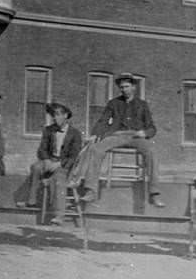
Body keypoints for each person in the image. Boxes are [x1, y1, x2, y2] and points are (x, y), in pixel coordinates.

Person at [69, 73, 165, 207]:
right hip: (116, 135)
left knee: (152, 150)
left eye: (127, 86)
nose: (124, 90)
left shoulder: (142, 105)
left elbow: (152, 127)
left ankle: (154, 194)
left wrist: (145, 133)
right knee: (95, 149)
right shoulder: (113, 103)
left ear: (133, 87)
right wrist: (95, 134)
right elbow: (103, 121)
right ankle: (91, 191)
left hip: (136, 136)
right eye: (121, 87)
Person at [19, 102, 82, 226]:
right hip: (50, 160)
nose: (55, 117)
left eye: (59, 114)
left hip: (63, 165)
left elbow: (74, 156)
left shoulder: (75, 133)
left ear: (66, 116)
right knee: (36, 167)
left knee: (58, 179)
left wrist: (59, 164)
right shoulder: (48, 130)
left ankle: (58, 216)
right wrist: (47, 160)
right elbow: (42, 149)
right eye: (54, 115)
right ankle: (32, 201)